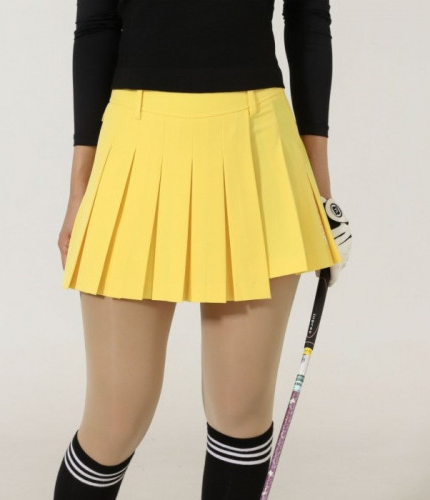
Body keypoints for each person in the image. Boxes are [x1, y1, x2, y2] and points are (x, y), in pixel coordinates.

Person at [54, 0, 352, 498]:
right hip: (136, 142)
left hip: (256, 143)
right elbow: (98, 24)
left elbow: (307, 17)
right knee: (114, 421)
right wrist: (78, 190)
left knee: (241, 413)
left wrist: (319, 190)